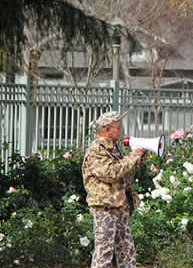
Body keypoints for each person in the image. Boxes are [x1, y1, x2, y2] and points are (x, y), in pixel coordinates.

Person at [82, 111, 147, 268]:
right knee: (104, 252)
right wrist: (132, 156)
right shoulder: (96, 150)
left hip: (120, 205)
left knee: (127, 251)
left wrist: (140, 156)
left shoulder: (114, 147)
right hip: (104, 207)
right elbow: (111, 173)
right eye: (117, 128)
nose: (120, 131)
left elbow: (125, 171)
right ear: (107, 129)